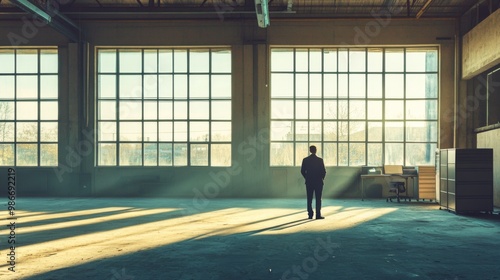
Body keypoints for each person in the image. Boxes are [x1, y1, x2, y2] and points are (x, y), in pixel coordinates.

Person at [301, 145, 326, 219]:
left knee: (309, 198)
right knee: (318, 199)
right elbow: (323, 171)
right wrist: (321, 178)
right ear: (316, 150)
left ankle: (310, 214)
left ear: (310, 151)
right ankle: (318, 215)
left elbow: (302, 171)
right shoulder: (320, 160)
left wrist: (307, 177)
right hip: (318, 181)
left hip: (309, 182)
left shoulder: (305, 160)